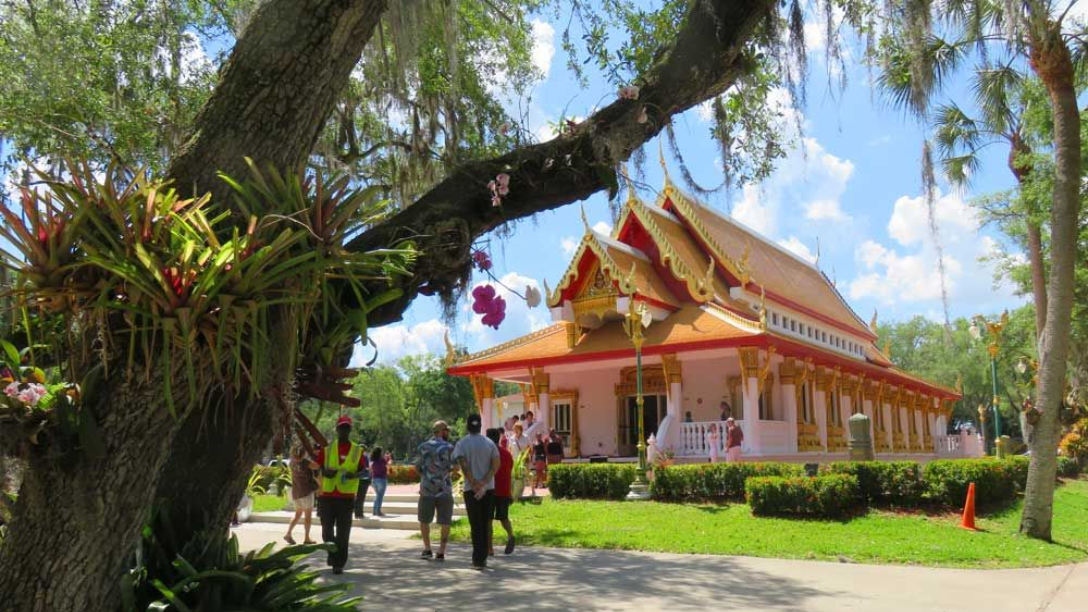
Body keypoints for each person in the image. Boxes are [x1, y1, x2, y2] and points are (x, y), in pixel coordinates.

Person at [316, 415, 367, 574]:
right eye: (341, 427)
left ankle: (338, 563)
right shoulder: (327, 449)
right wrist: (325, 472)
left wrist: (354, 475)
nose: (344, 430)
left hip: (346, 497)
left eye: (347, 427)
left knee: (343, 532)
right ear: (337, 429)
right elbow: (317, 469)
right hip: (327, 496)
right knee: (327, 532)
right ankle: (333, 553)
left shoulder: (358, 450)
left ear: (350, 430)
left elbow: (365, 471)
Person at [453, 413, 500, 570]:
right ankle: (483, 556)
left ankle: (477, 559)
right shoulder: (489, 443)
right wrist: (484, 482)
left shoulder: (462, 443)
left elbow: (462, 463)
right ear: (480, 426)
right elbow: (496, 463)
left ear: (467, 426)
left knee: (475, 524)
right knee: (485, 523)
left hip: (470, 489)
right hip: (488, 489)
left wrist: (474, 483)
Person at [417, 420, 456, 561]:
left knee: (424, 520)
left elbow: (418, 467)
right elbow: (456, 467)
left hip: (426, 490)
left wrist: (427, 477)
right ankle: (441, 551)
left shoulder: (423, 447)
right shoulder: (449, 447)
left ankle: (427, 549)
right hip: (444, 489)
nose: (448, 433)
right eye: (447, 431)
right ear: (443, 431)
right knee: (445, 521)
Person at [486, 428, 516, 556]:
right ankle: (510, 535)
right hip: (504, 490)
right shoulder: (507, 454)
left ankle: (490, 548)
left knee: (488, 520)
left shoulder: (487, 453)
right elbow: (509, 472)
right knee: (504, 518)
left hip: (490, 489)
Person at [285, 442, 320, 545]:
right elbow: (317, 466)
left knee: (297, 514)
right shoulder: (306, 463)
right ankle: (307, 538)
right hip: (306, 492)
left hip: (296, 492)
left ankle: (288, 533)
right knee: (307, 516)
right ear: (304, 453)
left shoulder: (291, 463)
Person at [369, 446, 389, 517]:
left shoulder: (373, 460)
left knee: (378, 495)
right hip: (382, 479)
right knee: (380, 496)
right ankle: (378, 511)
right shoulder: (382, 460)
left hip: (374, 480)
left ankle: (374, 511)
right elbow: (387, 465)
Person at [352, 444, 371, 519]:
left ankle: (357, 512)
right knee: (361, 497)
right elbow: (366, 468)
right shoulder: (365, 457)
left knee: (356, 497)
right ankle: (359, 513)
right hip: (364, 479)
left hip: (356, 478)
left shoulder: (354, 457)